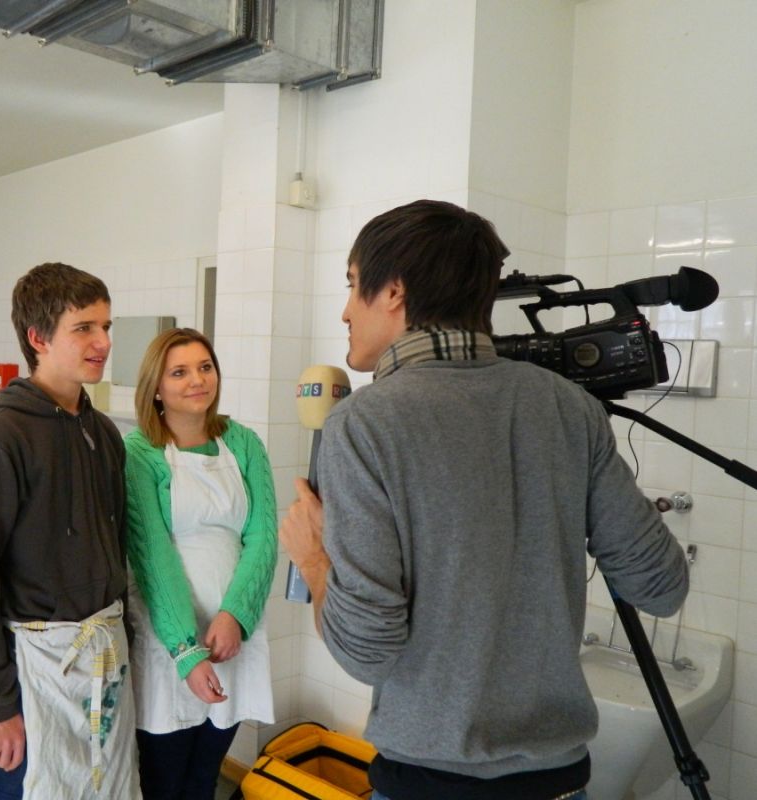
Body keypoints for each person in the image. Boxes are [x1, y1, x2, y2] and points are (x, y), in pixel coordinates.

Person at [280, 200, 689, 800]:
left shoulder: (365, 422)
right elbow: (661, 587)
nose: (345, 311)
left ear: (393, 291)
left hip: (431, 783)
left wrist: (315, 560)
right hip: (560, 781)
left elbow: (367, 652)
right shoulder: (569, 406)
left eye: (351, 285)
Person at [0, 262, 138, 799]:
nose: (103, 342)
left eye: (106, 326)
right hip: (30, 675)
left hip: (102, 660)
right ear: (38, 338)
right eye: (84, 328)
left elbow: (114, 549)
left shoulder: (102, 434)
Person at [124, 327, 277, 800]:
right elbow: (152, 556)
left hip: (233, 637)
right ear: (156, 387)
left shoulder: (244, 443)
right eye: (180, 372)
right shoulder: (140, 452)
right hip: (169, 639)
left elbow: (263, 537)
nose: (197, 380)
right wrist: (186, 651)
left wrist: (236, 616)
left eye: (205, 367)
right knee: (164, 783)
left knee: (204, 779)